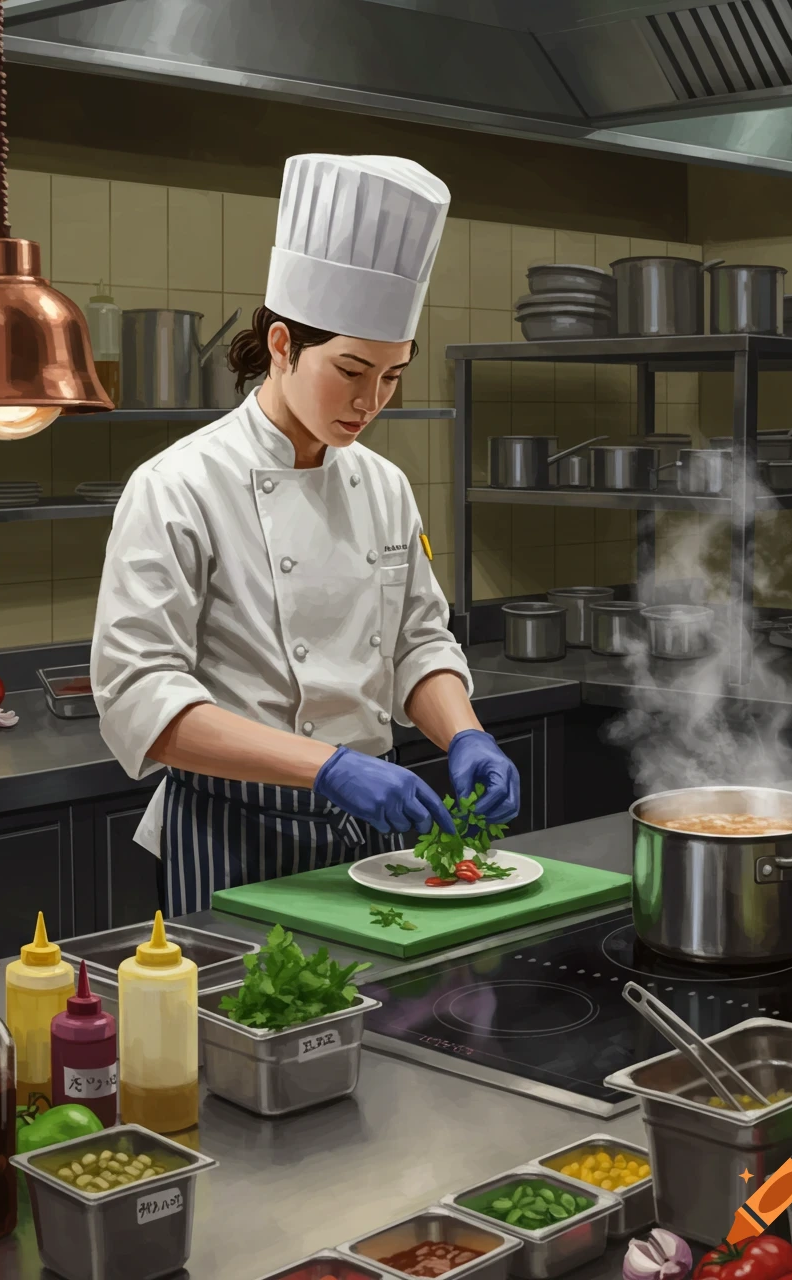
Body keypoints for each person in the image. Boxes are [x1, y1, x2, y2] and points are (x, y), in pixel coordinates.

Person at [91, 153, 520, 917]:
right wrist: (326, 768)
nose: (371, 402)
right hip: (232, 834)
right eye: (352, 371)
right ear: (283, 344)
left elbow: (417, 644)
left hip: (371, 839)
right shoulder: (178, 485)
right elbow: (140, 697)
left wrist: (465, 735)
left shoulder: (383, 485)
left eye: (392, 376)